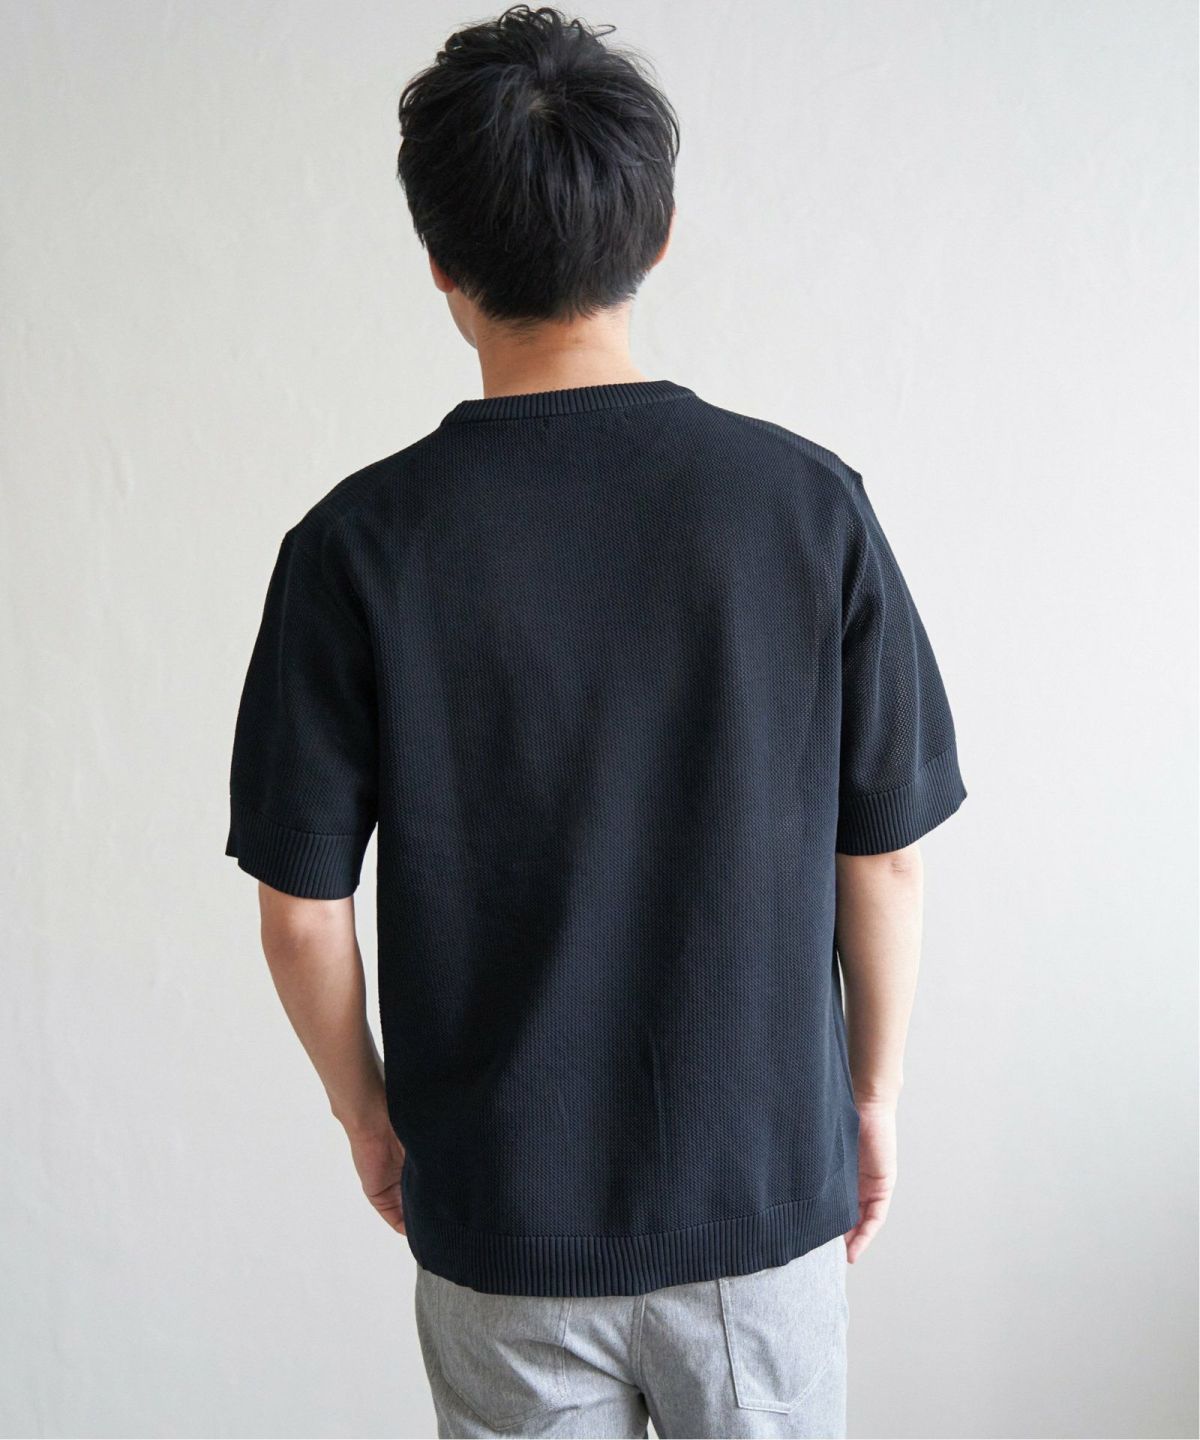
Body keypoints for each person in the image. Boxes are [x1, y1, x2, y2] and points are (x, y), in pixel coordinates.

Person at [223, 6, 967, 1437]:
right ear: (660, 234)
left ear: (438, 261)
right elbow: (883, 855)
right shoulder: (806, 509)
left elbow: (301, 914)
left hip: (505, 1215)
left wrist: (369, 1120)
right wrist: (869, 1098)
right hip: (760, 1197)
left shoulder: (355, 547)